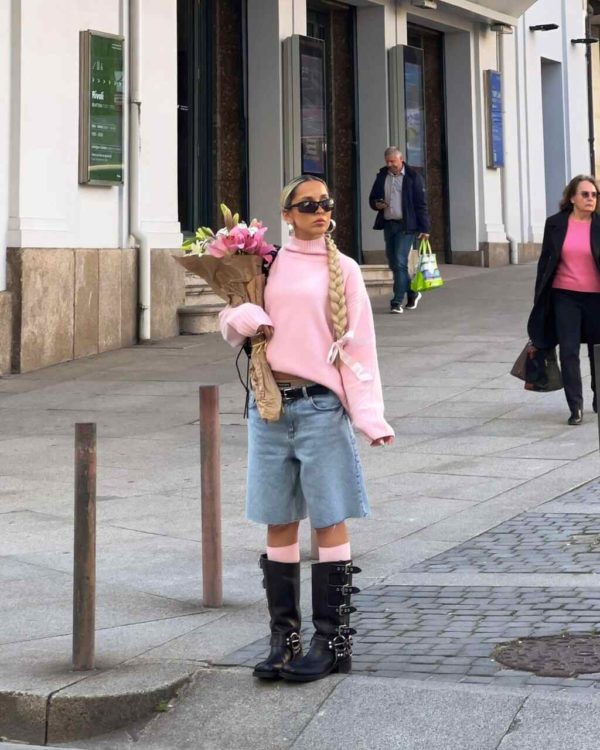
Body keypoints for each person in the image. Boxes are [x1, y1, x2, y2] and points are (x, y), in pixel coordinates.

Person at [219, 175, 394, 683]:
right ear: (288, 214)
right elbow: (229, 326)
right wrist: (241, 317)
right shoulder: (264, 264)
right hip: (269, 406)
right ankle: (284, 639)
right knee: (277, 518)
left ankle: (332, 641)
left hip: (320, 407)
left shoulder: (345, 270)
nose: (320, 211)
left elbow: (359, 350)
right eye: (308, 205)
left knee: (328, 518)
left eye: (326, 204)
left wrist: (369, 415)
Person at [527, 174, 600, 425]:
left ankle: (598, 396)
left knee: (597, 351)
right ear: (572, 198)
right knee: (568, 351)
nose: (591, 199)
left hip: (596, 298)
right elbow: (545, 262)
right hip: (564, 296)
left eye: (594, 195)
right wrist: (539, 299)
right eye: (585, 194)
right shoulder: (555, 224)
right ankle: (575, 407)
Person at [369, 146, 431, 314]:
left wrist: (425, 228)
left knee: (400, 260)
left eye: (393, 161)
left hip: (407, 225)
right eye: (388, 162)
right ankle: (412, 292)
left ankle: (396, 301)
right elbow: (373, 198)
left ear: (401, 159)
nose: (390, 165)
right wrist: (377, 203)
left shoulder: (413, 177)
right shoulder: (382, 176)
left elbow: (421, 204)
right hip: (389, 224)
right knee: (393, 262)